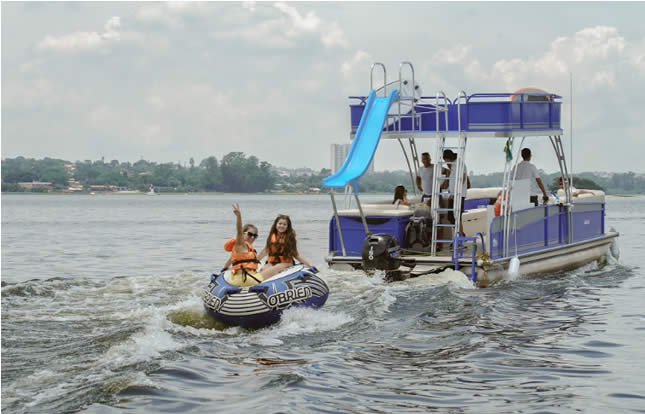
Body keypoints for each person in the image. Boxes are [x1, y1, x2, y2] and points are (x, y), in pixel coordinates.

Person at [257, 214, 312, 279]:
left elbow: (296, 255)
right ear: (276, 224)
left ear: (287, 227)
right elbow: (265, 251)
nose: (282, 226)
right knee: (263, 269)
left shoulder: (290, 237)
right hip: (272, 262)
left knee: (275, 268)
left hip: (286, 263)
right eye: (280, 223)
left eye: (284, 224)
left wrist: (310, 265)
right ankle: (256, 282)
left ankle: (257, 281)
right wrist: (255, 261)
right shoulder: (272, 235)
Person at [225, 203, 264, 287]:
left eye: (255, 236)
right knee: (273, 272)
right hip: (247, 280)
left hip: (237, 280)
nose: (252, 237)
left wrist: (224, 268)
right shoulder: (241, 244)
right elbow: (239, 230)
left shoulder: (240, 247)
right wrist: (239, 216)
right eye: (250, 234)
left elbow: (231, 259)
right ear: (243, 234)